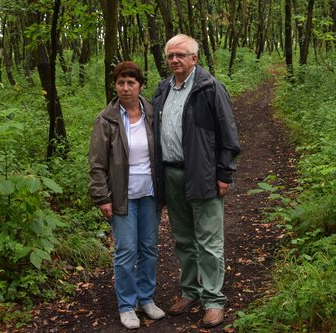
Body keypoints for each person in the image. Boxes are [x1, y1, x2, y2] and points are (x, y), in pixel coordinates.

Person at [151, 34, 241, 328]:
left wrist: (224, 174)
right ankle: (190, 291)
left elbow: (228, 135)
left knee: (209, 240)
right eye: (170, 56)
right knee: (183, 238)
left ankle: (214, 300)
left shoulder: (210, 88)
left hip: (202, 174)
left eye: (180, 55)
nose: (174, 60)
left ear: (194, 58)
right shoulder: (163, 89)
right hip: (171, 174)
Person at [88, 61, 165, 330]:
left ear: (140, 86)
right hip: (122, 196)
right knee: (126, 251)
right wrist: (102, 197)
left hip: (150, 194)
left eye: (131, 82)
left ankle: (146, 298)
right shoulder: (106, 119)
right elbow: (97, 163)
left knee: (148, 248)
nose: (125, 87)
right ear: (115, 85)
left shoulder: (153, 113)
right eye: (121, 82)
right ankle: (126, 305)